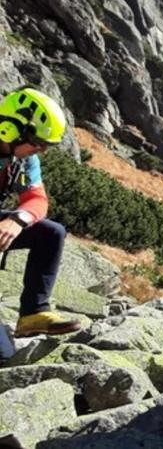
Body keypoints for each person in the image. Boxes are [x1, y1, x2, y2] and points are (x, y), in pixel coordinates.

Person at [0, 87, 80, 364]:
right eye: (37, 143)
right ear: (10, 129)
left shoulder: (23, 160)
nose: (41, 152)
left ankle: (33, 313)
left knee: (50, 232)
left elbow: (37, 200)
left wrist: (17, 219)